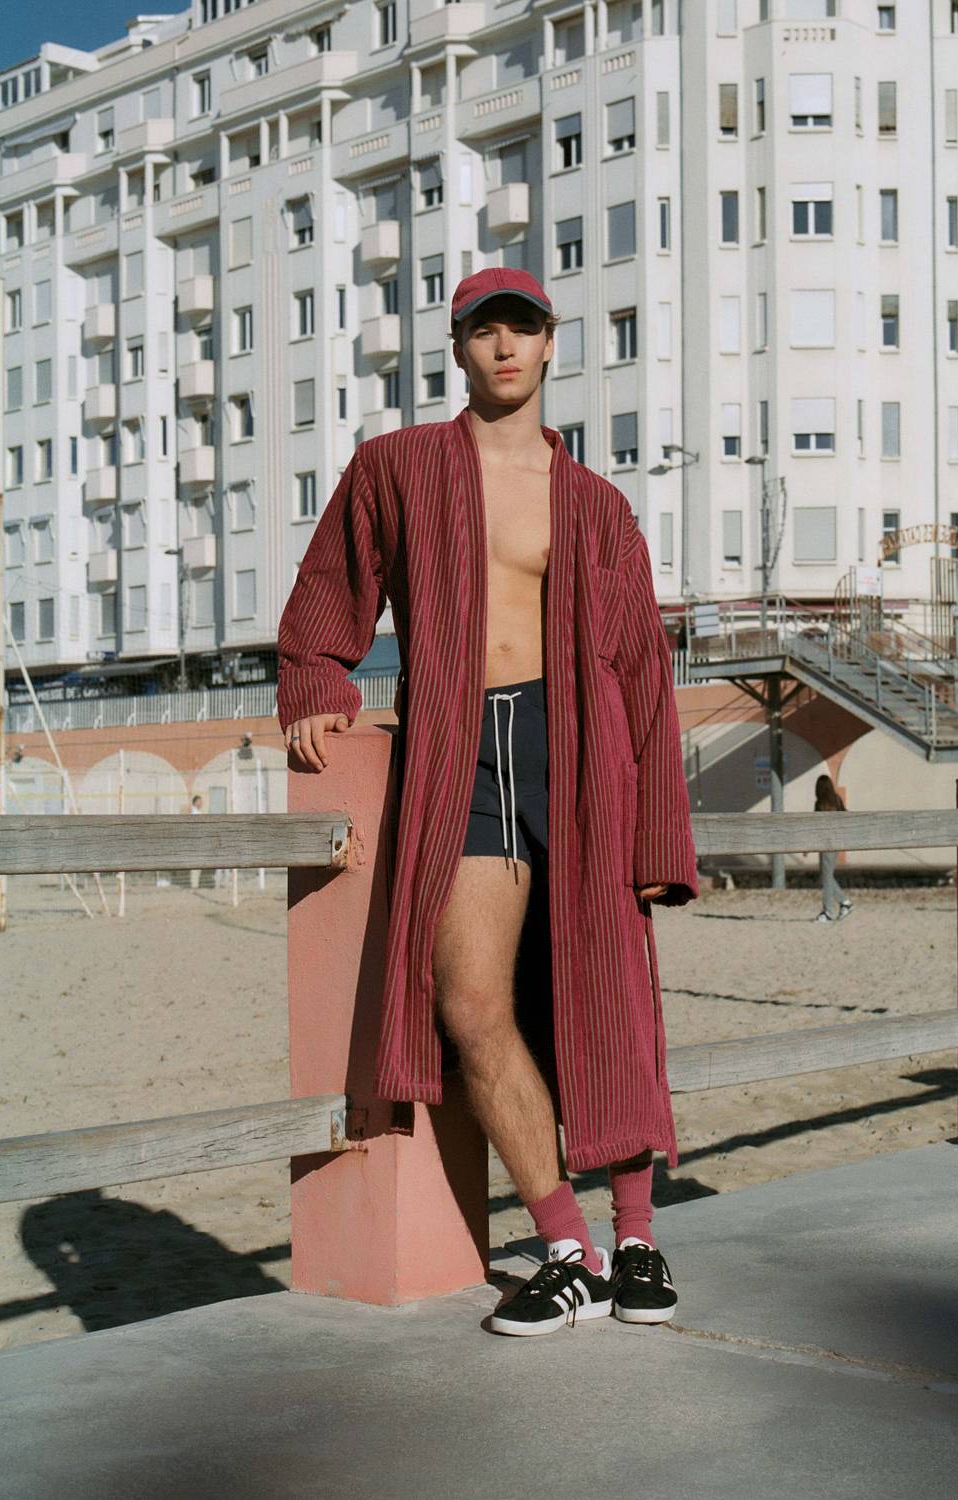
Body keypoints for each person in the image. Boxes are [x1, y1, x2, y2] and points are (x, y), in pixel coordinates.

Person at [277, 267, 698, 1336]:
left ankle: (638, 1238)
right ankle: (567, 1246)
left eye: (522, 329)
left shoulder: (596, 505)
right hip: (462, 753)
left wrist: (659, 827)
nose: (503, 347)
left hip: (582, 754)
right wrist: (319, 685)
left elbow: (642, 671)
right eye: (482, 332)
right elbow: (334, 583)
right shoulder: (399, 469)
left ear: (551, 345)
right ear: (458, 350)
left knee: (603, 991)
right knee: (468, 1001)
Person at [813, 773, 853, 923]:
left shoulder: (819, 804)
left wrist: (808, 846)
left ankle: (830, 910)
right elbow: (845, 816)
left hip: (825, 845)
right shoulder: (837, 800)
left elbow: (815, 827)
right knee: (826, 876)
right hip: (835, 844)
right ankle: (843, 903)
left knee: (826, 877)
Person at [189, 794, 203, 890]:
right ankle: (194, 885)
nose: (201, 803)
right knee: (196, 864)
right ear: (195, 802)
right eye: (199, 801)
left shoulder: (197, 812)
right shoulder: (194, 813)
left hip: (198, 842)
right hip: (195, 842)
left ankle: (195, 884)